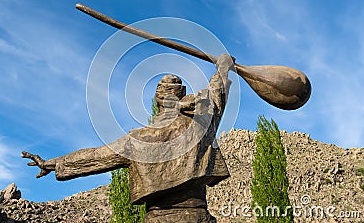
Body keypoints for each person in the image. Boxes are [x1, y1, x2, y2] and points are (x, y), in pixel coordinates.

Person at [23, 54, 234, 222]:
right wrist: (222, 68)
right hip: (198, 216)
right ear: (181, 95)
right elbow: (217, 94)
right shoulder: (201, 123)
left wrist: (52, 163)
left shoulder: (137, 139)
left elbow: (94, 157)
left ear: (157, 101)